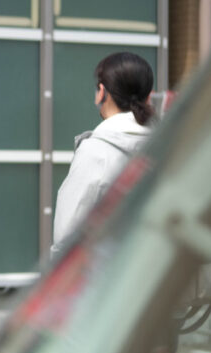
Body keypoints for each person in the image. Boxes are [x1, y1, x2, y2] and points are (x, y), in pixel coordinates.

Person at [52, 52, 155, 254]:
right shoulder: (170, 145)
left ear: (102, 92)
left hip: (111, 279)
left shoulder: (96, 152)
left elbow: (67, 236)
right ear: (149, 96)